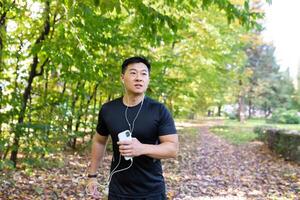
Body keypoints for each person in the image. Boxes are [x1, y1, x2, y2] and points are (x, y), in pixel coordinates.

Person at [86, 56, 178, 200]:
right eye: (133, 73)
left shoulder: (159, 110)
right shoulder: (108, 110)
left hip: (151, 190)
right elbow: (99, 141)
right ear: (123, 78)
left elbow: (172, 149)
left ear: (148, 79)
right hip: (118, 190)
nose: (139, 78)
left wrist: (142, 149)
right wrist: (92, 176)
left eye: (143, 74)